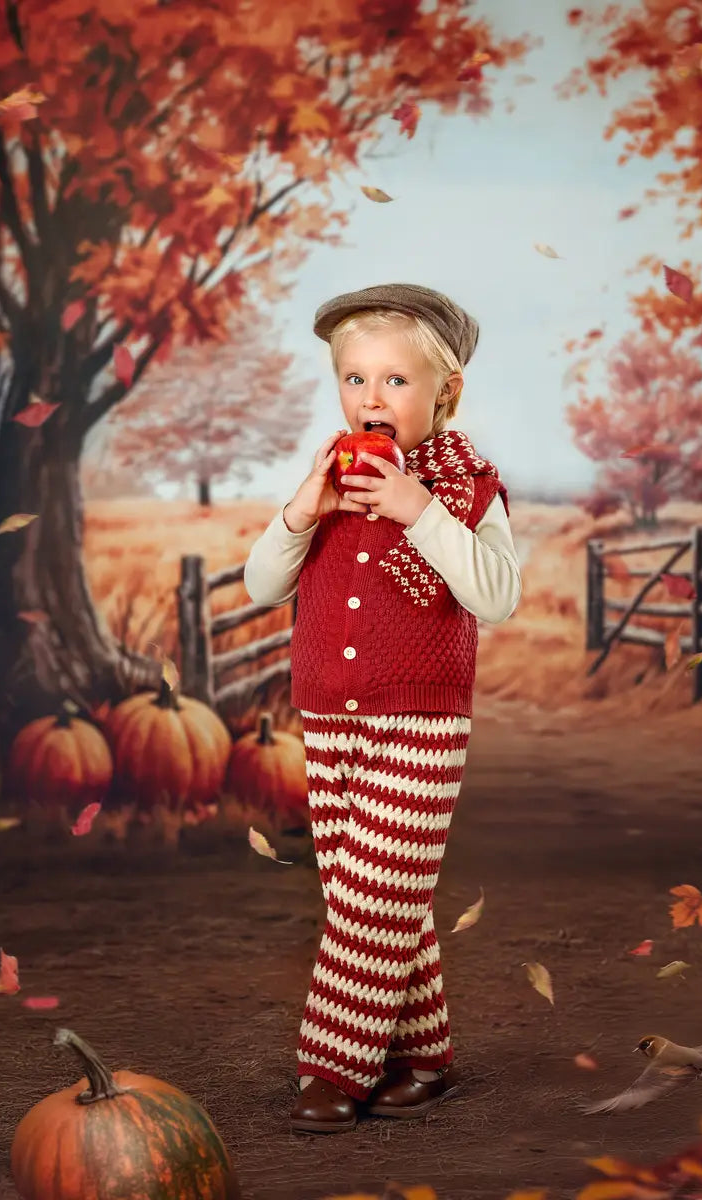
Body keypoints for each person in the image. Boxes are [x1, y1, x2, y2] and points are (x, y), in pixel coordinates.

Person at [243, 282, 522, 1134]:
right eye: (354, 379)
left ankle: (333, 1066)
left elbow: (497, 593)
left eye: (395, 381)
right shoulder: (328, 484)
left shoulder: (467, 489)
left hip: (420, 719)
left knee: (372, 898)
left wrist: (418, 510)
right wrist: (303, 508)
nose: (371, 399)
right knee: (374, 894)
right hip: (327, 711)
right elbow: (262, 584)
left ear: (446, 392)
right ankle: (425, 1058)